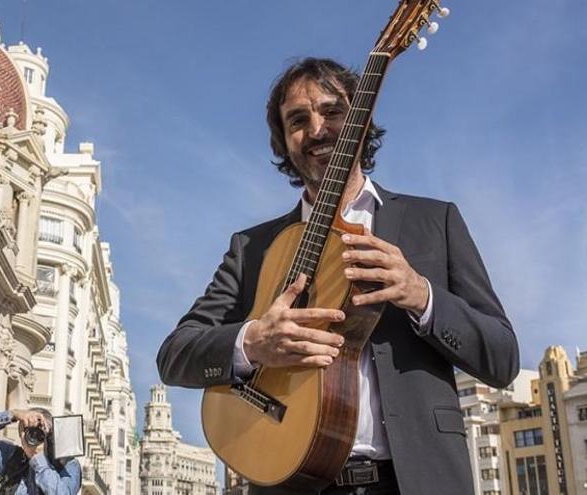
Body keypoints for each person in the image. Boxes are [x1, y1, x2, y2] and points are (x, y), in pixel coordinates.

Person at [156, 58, 519, 495]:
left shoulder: (434, 221)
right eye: (298, 120)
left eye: (332, 112)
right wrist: (252, 342)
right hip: (288, 482)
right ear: (283, 141)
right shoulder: (252, 247)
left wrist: (420, 294)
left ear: (361, 121)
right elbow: (175, 354)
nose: (317, 129)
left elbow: (502, 359)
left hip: (415, 481)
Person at [0, 408, 82, 495]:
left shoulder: (67, 464)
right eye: (30, 431)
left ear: (51, 433)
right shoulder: (13, 457)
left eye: (41, 430)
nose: (35, 435)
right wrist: (13, 414)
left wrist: (38, 459)